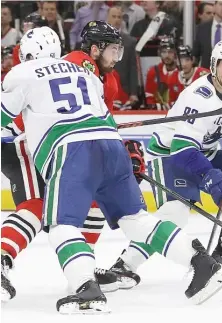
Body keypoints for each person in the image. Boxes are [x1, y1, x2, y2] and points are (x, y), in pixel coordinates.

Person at [1, 26, 222, 313]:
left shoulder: (22, 73)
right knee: (135, 219)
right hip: (110, 145)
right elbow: (105, 118)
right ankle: (202, 263)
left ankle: (85, 288)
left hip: (70, 149)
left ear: (26, 54)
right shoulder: (85, 72)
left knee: (61, 225)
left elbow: (3, 119)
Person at [110, 40, 222, 287]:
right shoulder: (196, 97)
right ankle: (124, 266)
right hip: (170, 155)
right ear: (214, 65)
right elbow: (182, 151)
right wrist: (211, 177)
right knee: (176, 214)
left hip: (205, 151)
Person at [1, 21, 123, 302]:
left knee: (94, 195)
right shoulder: (73, 65)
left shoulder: (50, 69)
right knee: (36, 206)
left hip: (45, 145)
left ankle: (84, 269)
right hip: (20, 144)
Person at [107, 5, 139, 109]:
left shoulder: (130, 42)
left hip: (124, 92)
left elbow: (133, 68)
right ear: (107, 18)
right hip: (104, 89)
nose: (116, 20)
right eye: (113, 16)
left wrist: (133, 93)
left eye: (119, 17)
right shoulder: (98, 40)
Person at [145, 37, 181, 110]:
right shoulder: (153, 72)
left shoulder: (182, 73)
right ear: (159, 53)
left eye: (170, 52)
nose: (167, 56)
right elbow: (150, 100)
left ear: (176, 54)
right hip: (158, 115)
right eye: (164, 52)